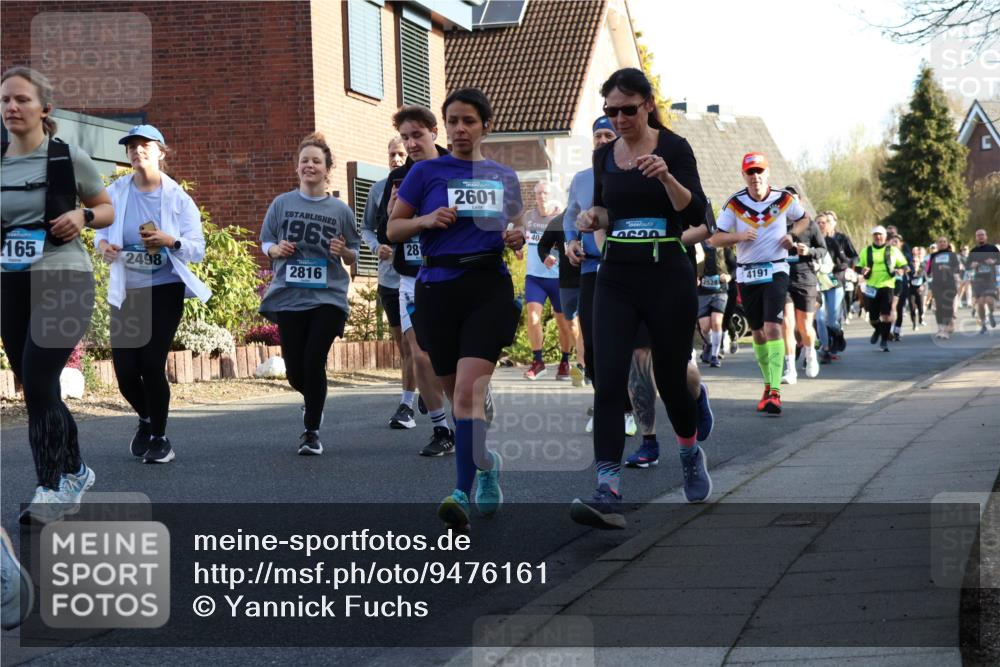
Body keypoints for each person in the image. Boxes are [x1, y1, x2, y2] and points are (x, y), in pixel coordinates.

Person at [570, 67, 711, 531]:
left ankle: (688, 450)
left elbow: (695, 211)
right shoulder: (604, 155)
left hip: (667, 274)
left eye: (628, 110)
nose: (619, 119)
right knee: (609, 380)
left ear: (648, 104)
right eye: (611, 111)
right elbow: (609, 207)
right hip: (616, 276)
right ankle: (607, 488)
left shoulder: (674, 147)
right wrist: (592, 217)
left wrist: (667, 177)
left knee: (670, 379)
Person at [388, 88, 525, 530]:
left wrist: (516, 236)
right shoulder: (425, 172)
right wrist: (425, 221)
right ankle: (486, 463)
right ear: (443, 127)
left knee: (467, 391)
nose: (460, 129)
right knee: (457, 397)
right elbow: (393, 229)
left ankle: (459, 493)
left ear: (486, 126)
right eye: (453, 121)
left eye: (469, 121)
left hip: (487, 287)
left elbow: (518, 224)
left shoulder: (503, 176)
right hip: (437, 288)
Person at [1, 66, 114, 524]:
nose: (11, 107)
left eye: (22, 99)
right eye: (5, 100)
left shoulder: (68, 157)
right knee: (36, 385)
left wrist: (83, 217)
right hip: (11, 281)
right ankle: (77, 470)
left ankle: (49, 487)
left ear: (45, 108)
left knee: (38, 379)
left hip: (64, 277)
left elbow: (106, 208)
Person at [97, 124, 212, 464]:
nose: (137, 151)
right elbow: (100, 231)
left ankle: (161, 440)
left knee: (151, 363)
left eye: (145, 145)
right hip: (128, 290)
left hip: (164, 288)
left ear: (161, 152)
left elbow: (197, 248)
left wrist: (169, 241)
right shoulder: (116, 192)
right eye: (131, 146)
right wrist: (104, 246)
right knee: (125, 373)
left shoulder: (178, 198)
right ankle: (146, 419)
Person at [259, 133, 360, 455]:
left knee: (314, 359)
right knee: (295, 372)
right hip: (290, 295)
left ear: (327, 169)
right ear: (297, 167)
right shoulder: (282, 204)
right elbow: (265, 241)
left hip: (328, 296)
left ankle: (311, 431)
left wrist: (344, 251)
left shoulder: (340, 210)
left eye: (316, 161)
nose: (310, 166)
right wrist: (276, 249)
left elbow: (355, 252)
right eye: (305, 161)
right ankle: (314, 400)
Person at [377, 105, 458, 456]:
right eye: (405, 137)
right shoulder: (398, 178)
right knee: (418, 354)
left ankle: (465, 414)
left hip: (453, 276)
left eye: (417, 136)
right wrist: (395, 214)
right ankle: (441, 429)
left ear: (434, 133)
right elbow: (386, 231)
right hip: (412, 277)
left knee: (454, 357)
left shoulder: (457, 167)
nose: (410, 144)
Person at [710, 152, 809, 415]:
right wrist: (739, 236)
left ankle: (775, 391)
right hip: (747, 274)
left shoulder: (783, 198)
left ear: (768, 173)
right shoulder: (735, 203)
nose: (755, 177)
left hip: (776, 269)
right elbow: (715, 239)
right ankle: (768, 385)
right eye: (750, 172)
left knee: (772, 327)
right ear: (743, 175)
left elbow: (804, 218)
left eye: (759, 171)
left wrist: (792, 235)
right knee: (757, 332)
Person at [565, 117, 639, 436]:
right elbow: (570, 215)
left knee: (624, 342)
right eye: (597, 135)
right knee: (592, 344)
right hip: (591, 268)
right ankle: (606, 403)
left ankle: (628, 408)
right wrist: (570, 241)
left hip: (625, 267)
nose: (602, 140)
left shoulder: (632, 174)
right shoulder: (581, 178)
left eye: (608, 134)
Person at [361, 136, 416, 429]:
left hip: (420, 276)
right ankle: (409, 400)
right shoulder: (378, 189)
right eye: (393, 153)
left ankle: (413, 397)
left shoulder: (424, 184)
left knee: (419, 345)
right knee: (405, 345)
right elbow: (366, 228)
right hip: (390, 278)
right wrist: (376, 247)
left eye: (402, 154)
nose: (397, 159)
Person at [522, 181, 574, 380]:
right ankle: (538, 362)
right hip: (534, 277)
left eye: (545, 193)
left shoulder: (561, 217)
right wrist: (518, 248)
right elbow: (525, 237)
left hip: (558, 278)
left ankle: (565, 361)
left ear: (553, 196)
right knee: (533, 318)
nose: (542, 197)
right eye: (539, 193)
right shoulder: (528, 216)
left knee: (564, 323)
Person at [780, 185, 827, 382]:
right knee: (787, 323)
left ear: (799, 200)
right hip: (783, 278)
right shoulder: (777, 223)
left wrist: (809, 251)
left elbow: (823, 250)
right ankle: (790, 369)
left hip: (805, 278)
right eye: (785, 198)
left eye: (793, 198)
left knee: (804, 326)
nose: (789, 201)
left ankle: (810, 354)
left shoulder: (810, 224)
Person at [536, 210, 585, 383]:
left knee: (586, 322)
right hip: (567, 282)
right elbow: (542, 245)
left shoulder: (592, 216)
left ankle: (582, 364)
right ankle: (584, 359)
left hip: (590, 277)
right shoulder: (558, 222)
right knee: (571, 324)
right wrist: (545, 257)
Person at [856, 225, 908, 352]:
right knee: (873, 318)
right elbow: (857, 267)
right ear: (872, 237)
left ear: (885, 237)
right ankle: (878, 330)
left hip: (887, 285)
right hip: (872, 287)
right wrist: (862, 270)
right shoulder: (866, 251)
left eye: (880, 235)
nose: (878, 237)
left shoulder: (893, 250)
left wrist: (901, 270)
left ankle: (884, 342)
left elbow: (904, 265)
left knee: (886, 316)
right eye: (875, 235)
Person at [816, 211, 850, 363]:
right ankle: (825, 348)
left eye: (823, 222)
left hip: (833, 283)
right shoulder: (808, 242)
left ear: (828, 225)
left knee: (832, 321)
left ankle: (838, 335)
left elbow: (845, 261)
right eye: (818, 222)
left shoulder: (831, 242)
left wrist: (834, 268)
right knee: (819, 319)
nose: (820, 225)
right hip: (816, 285)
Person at [696, 236, 735, 368]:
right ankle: (709, 344)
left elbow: (734, 266)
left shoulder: (724, 245)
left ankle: (714, 356)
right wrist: (694, 276)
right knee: (705, 327)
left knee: (717, 322)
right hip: (702, 291)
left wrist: (729, 276)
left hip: (720, 290)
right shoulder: (697, 245)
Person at [927, 237, 962, 339]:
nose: (942, 243)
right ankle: (940, 329)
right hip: (937, 284)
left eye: (944, 242)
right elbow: (928, 270)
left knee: (947, 306)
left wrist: (947, 268)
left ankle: (946, 329)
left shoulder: (952, 255)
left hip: (949, 284)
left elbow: (957, 269)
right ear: (937, 244)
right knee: (939, 306)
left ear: (947, 243)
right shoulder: (933, 255)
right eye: (940, 242)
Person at [968, 228, 999, 334]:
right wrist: (972, 265)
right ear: (976, 237)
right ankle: (983, 323)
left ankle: (991, 313)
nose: (980, 237)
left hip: (990, 279)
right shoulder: (973, 251)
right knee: (980, 303)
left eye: (982, 235)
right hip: (978, 280)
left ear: (986, 236)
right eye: (978, 235)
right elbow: (968, 264)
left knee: (989, 300)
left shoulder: (993, 248)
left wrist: (993, 261)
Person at [888, 232, 913, 341]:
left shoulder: (905, 255)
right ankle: (889, 330)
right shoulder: (886, 253)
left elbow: (911, 269)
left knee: (899, 308)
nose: (894, 242)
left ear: (901, 244)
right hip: (887, 283)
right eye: (892, 241)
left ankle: (897, 331)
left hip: (901, 283)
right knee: (890, 307)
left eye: (896, 241)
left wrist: (903, 269)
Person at [908, 245, 928, 330]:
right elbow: (907, 279)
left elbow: (925, 280)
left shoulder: (922, 270)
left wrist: (922, 286)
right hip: (911, 290)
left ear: (919, 262)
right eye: (913, 261)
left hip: (919, 290)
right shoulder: (909, 271)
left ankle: (921, 318)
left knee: (920, 307)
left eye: (916, 261)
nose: (915, 263)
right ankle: (914, 324)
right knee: (912, 308)